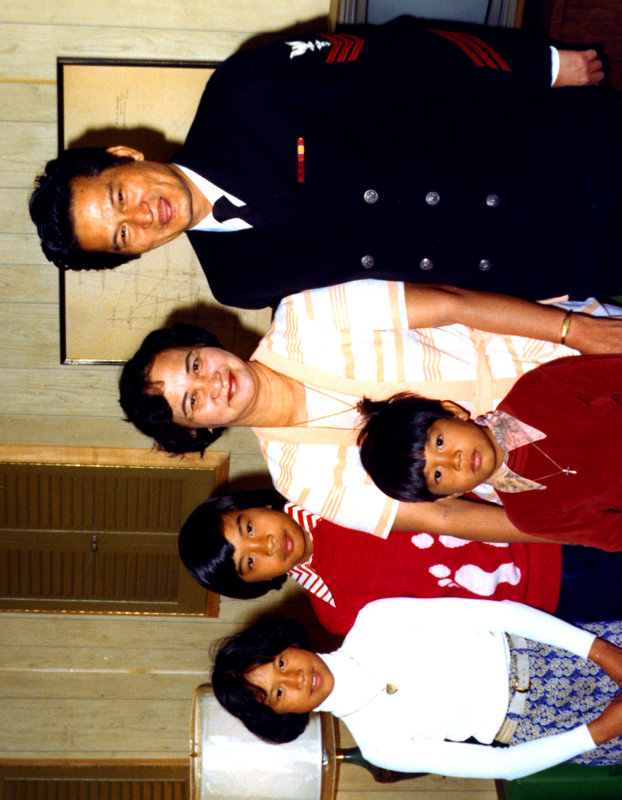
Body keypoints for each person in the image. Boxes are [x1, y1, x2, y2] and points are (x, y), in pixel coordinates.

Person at [29, 17, 619, 309]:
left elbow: (404, 56)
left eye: (119, 196)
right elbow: (391, 298)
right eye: (122, 235)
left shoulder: (241, 96)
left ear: (124, 156)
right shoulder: (239, 282)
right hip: (553, 260)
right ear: (132, 254)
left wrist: (539, 68)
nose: (142, 216)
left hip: (564, 153)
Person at [120, 279, 622, 540]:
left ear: (204, 342)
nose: (213, 383)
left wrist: (574, 331)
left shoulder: (304, 315)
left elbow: (454, 304)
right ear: (195, 433)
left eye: (195, 364)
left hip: (562, 360)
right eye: (192, 401)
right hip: (560, 474)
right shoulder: (298, 480)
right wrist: (578, 529)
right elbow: (444, 516)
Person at [211, 598, 622, 779]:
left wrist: (600, 651)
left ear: (288, 645)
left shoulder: (374, 621)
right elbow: (503, 766)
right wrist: (598, 733)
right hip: (557, 728)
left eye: (281, 664)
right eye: (279, 694)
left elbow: (499, 614)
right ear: (286, 716)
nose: (296, 679)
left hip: (562, 649)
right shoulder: (378, 747)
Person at [178, 489, 622, 633]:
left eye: (248, 528)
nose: (267, 546)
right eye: (249, 563)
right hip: (548, 599)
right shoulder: (336, 613)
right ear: (258, 583)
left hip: (548, 514)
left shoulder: (330, 488)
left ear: (254, 505)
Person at [357, 354, 622, 551]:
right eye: (437, 475)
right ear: (449, 495)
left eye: (439, 442)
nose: (453, 460)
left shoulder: (537, 389)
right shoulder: (528, 515)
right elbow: (611, 534)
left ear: (453, 412)